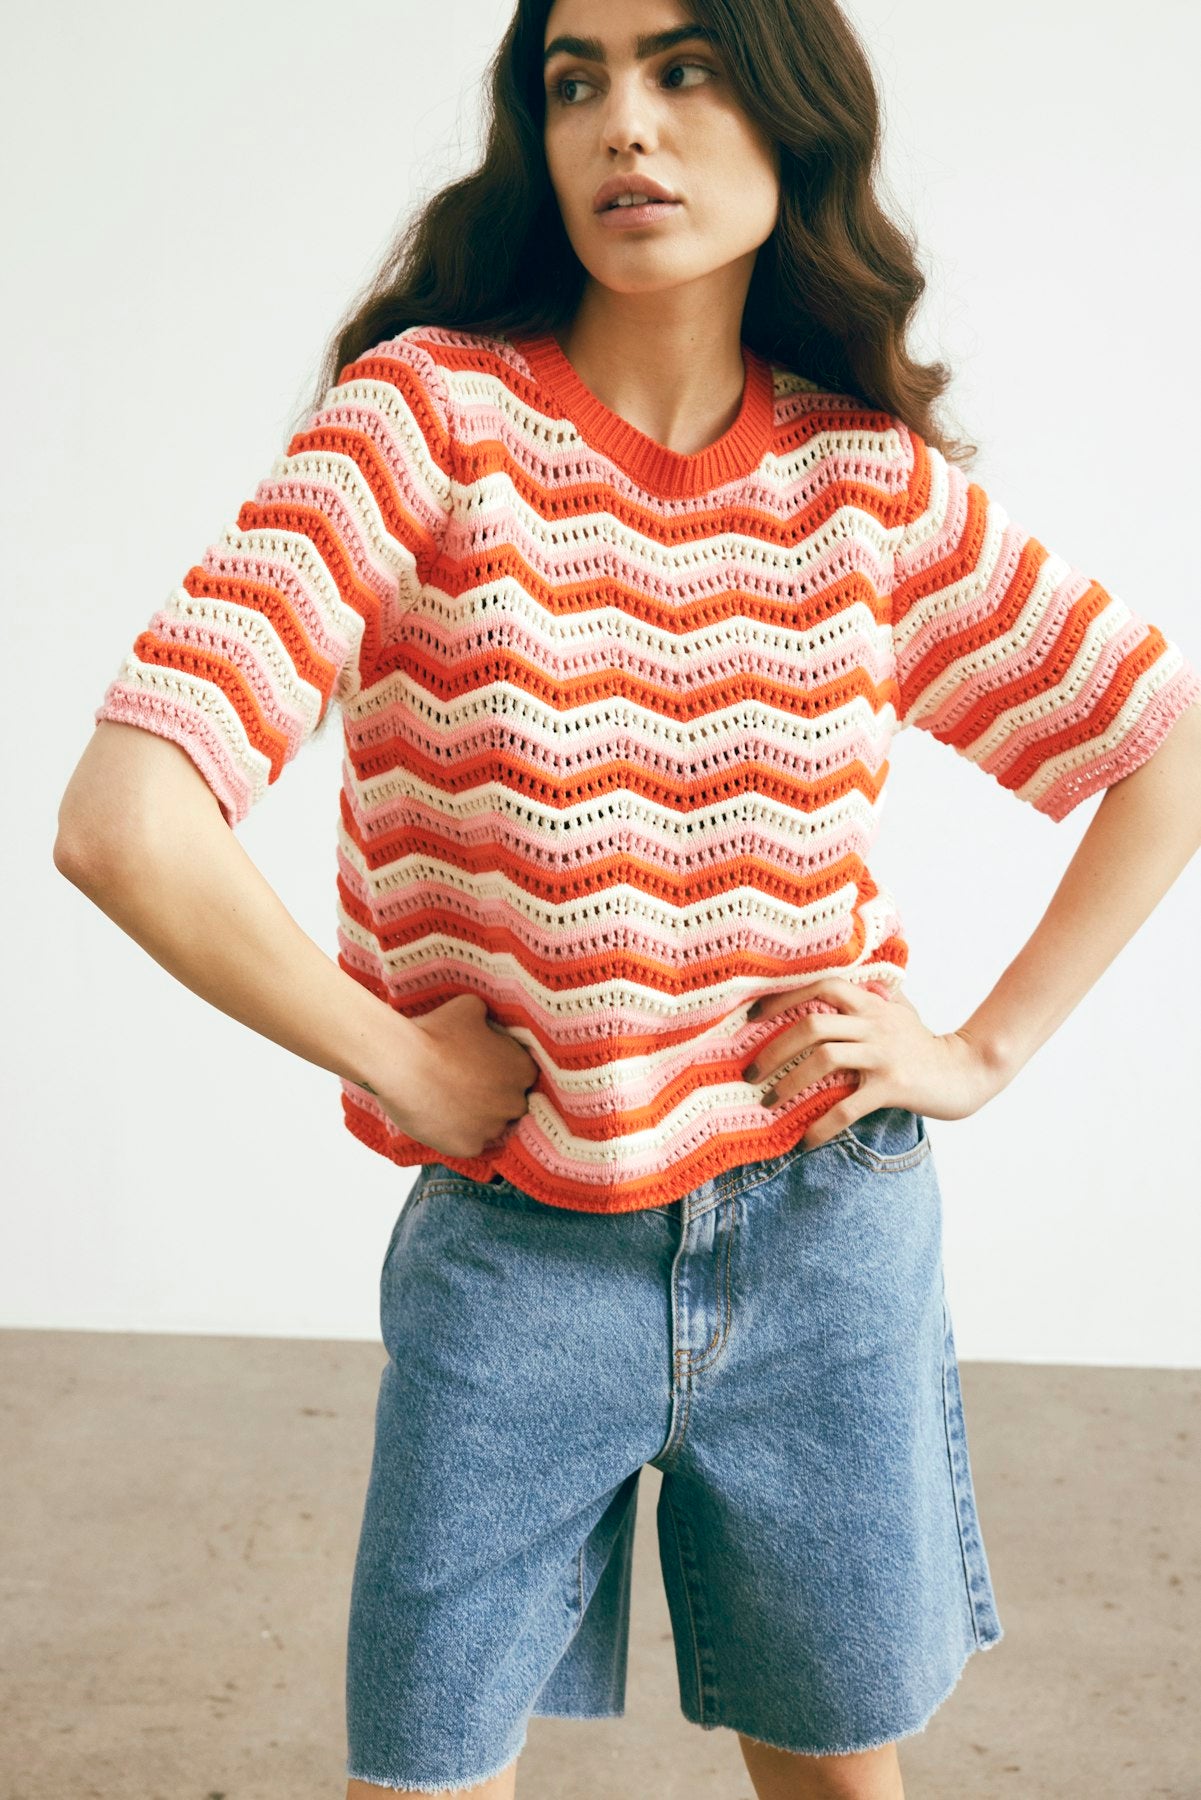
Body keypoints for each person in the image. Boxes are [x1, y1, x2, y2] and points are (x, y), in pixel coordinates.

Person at [53, 0, 1201, 1794]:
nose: (622, 124)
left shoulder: (864, 484)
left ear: (793, 118)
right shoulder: (423, 423)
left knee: (835, 1772)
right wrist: (398, 1061)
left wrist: (979, 1051)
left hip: (824, 1237)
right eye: (573, 79)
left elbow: (1162, 744)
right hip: (516, 1252)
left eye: (683, 68)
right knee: (421, 1775)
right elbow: (125, 817)